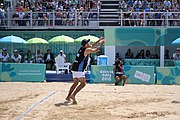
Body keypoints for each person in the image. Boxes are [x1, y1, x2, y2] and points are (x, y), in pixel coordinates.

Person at [66, 36, 105, 104]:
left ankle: (68, 96)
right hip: (79, 69)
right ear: (86, 44)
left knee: (75, 83)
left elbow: (92, 46)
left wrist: (99, 40)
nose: (89, 43)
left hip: (74, 68)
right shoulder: (86, 50)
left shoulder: (82, 48)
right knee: (83, 83)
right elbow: (95, 50)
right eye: (88, 42)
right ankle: (73, 95)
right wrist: (101, 44)